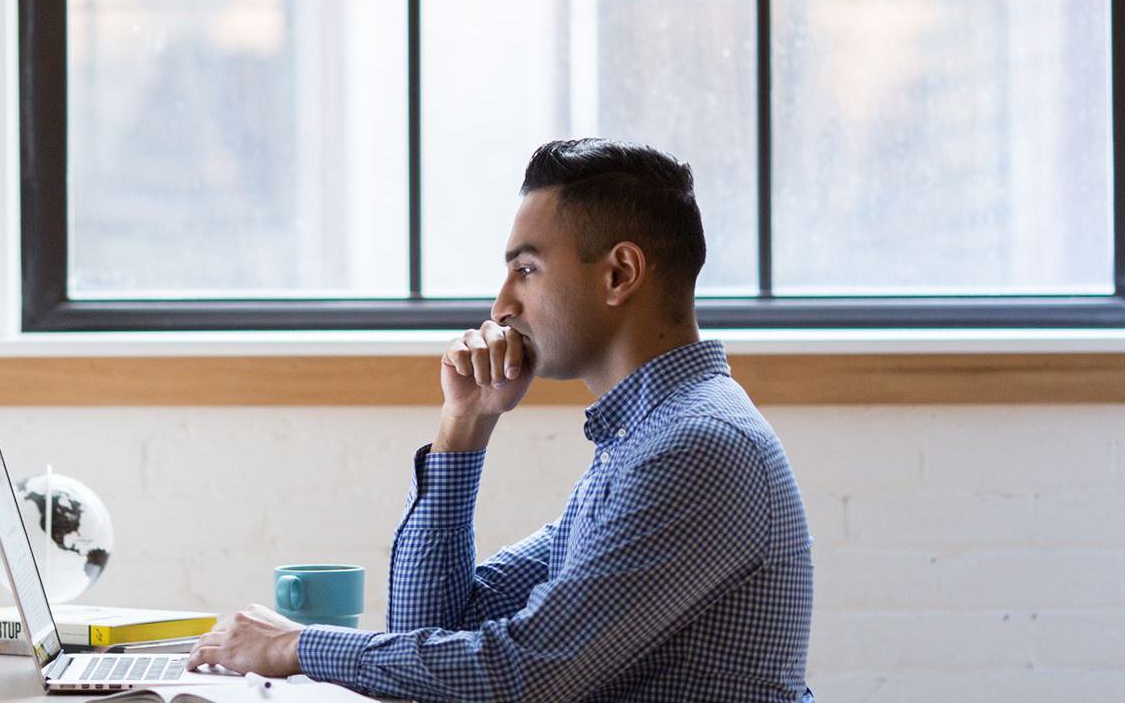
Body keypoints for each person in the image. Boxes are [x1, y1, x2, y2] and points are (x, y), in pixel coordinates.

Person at [191, 138, 815, 701]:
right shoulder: (640, 444)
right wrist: (465, 424)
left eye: (526, 269)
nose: (501, 304)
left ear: (619, 274)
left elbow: (522, 674)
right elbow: (432, 631)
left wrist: (295, 647)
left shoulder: (696, 449)